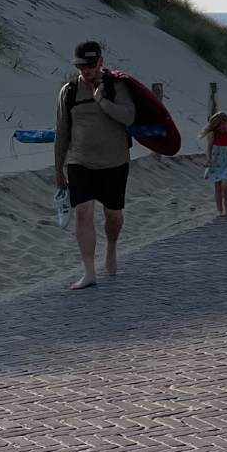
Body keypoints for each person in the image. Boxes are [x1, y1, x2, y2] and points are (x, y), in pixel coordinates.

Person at [54, 39, 136, 291]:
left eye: (90, 65)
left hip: (114, 161)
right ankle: (89, 271)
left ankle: (111, 247)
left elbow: (128, 117)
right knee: (82, 212)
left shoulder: (117, 86)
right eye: (81, 66)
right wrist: (58, 168)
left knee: (113, 215)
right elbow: (62, 131)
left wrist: (102, 101)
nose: (86, 70)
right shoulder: (68, 91)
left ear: (100, 61)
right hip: (79, 160)